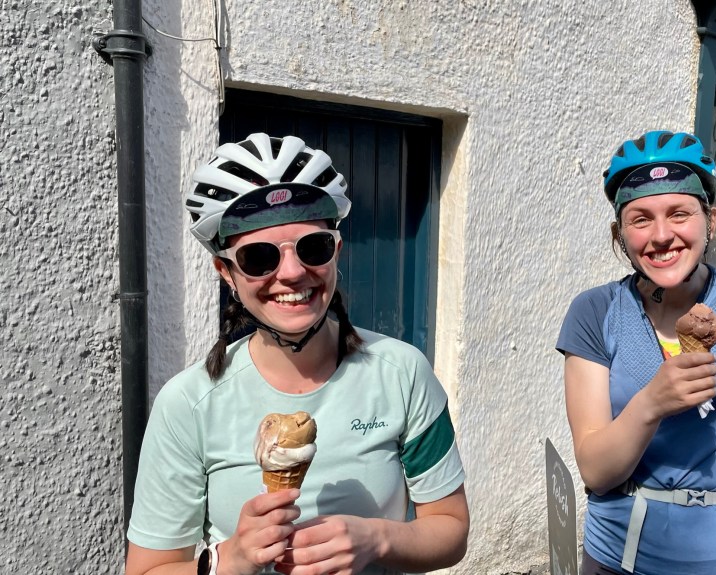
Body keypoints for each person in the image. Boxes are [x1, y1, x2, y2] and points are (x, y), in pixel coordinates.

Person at [125, 133, 469, 575]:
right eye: (258, 257)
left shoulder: (404, 373)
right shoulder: (187, 404)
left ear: (337, 251)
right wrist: (227, 560)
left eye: (313, 248)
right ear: (226, 273)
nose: (291, 272)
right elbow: (146, 570)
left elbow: (452, 528)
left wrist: (379, 538)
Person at [556, 131, 716, 575]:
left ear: (710, 221)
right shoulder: (594, 313)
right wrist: (651, 405)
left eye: (679, 214)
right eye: (640, 219)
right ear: (620, 234)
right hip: (617, 558)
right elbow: (595, 471)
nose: (662, 235)